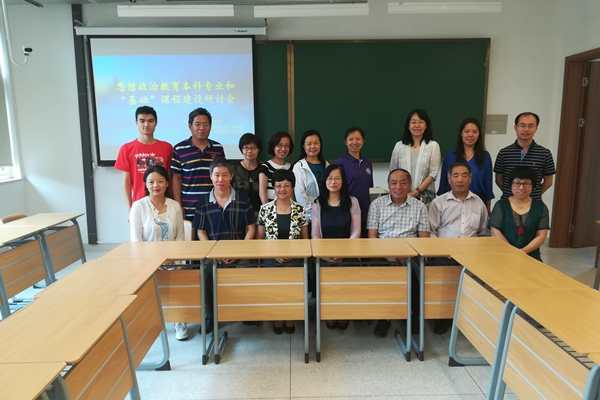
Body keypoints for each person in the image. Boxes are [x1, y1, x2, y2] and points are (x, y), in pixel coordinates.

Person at [367, 168, 430, 337]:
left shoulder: (420, 207)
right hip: (383, 255)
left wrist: (408, 254)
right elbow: (372, 238)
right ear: (388, 185)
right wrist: (388, 255)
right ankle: (384, 317)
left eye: (403, 183)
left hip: (410, 256)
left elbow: (424, 239)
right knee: (382, 278)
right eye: (393, 183)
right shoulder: (377, 205)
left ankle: (413, 318)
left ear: (409, 185)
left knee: (416, 279)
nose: (398, 187)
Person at [257, 169, 308, 334]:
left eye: (286, 185)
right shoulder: (265, 209)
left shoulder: (300, 210)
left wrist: (294, 254)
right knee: (275, 290)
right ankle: (277, 317)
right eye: (278, 186)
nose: (282, 189)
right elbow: (260, 240)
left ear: (292, 187)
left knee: (292, 289)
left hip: (295, 259)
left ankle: (290, 316)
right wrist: (274, 254)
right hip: (271, 258)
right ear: (274, 187)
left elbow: (305, 240)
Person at [311, 164, 360, 330]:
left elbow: (356, 232)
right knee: (327, 286)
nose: (333, 182)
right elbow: (315, 235)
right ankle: (329, 313)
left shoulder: (352, 202)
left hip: (347, 255)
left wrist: (343, 253)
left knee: (345, 286)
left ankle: (344, 312)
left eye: (337, 178)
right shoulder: (318, 203)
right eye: (330, 178)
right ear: (325, 181)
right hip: (324, 256)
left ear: (343, 181)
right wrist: (325, 255)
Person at [171, 107, 225, 222]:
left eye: (205, 124)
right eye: (197, 124)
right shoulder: (179, 149)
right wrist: (178, 206)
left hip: (214, 208)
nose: (202, 128)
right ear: (190, 126)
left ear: (210, 126)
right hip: (189, 208)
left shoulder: (218, 148)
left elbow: (223, 176)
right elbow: (176, 178)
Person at [115, 106, 173, 208]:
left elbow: (170, 178)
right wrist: (130, 207)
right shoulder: (126, 149)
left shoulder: (167, 147)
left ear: (156, 123)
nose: (146, 124)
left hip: (163, 204)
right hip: (139, 205)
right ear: (136, 123)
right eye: (142, 121)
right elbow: (126, 182)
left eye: (150, 121)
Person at [490, 166, 549, 261]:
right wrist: (511, 251)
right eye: (517, 183)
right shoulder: (501, 205)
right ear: (511, 185)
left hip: (531, 257)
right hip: (503, 256)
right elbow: (495, 231)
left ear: (532, 185)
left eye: (526, 183)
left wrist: (522, 252)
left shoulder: (541, 207)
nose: (521, 187)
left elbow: (541, 236)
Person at [494, 112, 556, 200]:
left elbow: (548, 182)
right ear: (515, 127)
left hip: (534, 203)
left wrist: (530, 194)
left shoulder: (545, 153)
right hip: (507, 203)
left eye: (531, 126)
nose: (526, 129)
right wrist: (514, 193)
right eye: (522, 125)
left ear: (536, 128)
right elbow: (498, 180)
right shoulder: (504, 153)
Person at [193, 159, 256, 241]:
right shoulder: (202, 203)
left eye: (225, 175)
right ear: (211, 176)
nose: (220, 179)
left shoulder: (243, 200)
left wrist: (243, 247)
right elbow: (201, 231)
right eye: (217, 175)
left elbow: (251, 228)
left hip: (238, 247)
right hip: (212, 248)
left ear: (231, 176)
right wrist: (209, 248)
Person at [437, 118, 493, 210]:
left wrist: (487, 209)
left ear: (479, 134)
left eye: (474, 132)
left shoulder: (485, 157)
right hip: (452, 204)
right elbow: (443, 184)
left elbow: (488, 186)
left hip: (478, 203)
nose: (470, 134)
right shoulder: (450, 156)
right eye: (467, 131)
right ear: (461, 134)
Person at [389, 109, 441, 205]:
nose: (417, 125)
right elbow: (393, 170)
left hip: (425, 196)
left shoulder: (433, 145)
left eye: (421, 122)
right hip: (402, 194)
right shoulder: (399, 146)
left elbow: (433, 173)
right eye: (413, 122)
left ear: (426, 125)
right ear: (408, 126)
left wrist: (416, 192)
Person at [430, 162, 489, 238]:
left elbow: (483, 232)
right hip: (445, 245)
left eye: (464, 176)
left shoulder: (478, 202)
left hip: (472, 245)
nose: (460, 180)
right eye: (456, 176)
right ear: (449, 179)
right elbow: (431, 232)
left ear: (470, 179)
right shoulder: (438, 203)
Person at [334, 127, 373, 237]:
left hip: (365, 211)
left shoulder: (367, 162)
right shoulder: (339, 163)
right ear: (345, 142)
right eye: (351, 139)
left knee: (364, 243)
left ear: (363, 141)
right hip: (347, 210)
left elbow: (370, 186)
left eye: (358, 139)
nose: (355, 142)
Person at [129, 165, 184, 242]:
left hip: (173, 250)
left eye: (160, 181)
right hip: (146, 250)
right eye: (151, 182)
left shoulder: (175, 206)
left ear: (167, 183)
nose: (156, 185)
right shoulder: (138, 207)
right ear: (146, 184)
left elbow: (180, 237)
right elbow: (136, 240)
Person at [292, 130, 328, 221]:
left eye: (316, 143)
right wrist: (314, 215)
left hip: (328, 215)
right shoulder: (299, 167)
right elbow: (300, 196)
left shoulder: (327, 165)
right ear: (303, 146)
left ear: (320, 145)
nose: (313, 146)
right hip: (308, 217)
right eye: (309, 144)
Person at [231, 133, 262, 218]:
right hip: (238, 213)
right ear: (241, 149)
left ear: (258, 149)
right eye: (246, 148)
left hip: (259, 214)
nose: (249, 151)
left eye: (253, 148)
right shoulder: (233, 169)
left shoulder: (264, 168)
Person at [258, 131, 293, 203]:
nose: (283, 149)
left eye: (287, 146)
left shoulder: (292, 167)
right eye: (280, 145)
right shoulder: (265, 167)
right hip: (270, 207)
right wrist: (268, 209)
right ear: (273, 147)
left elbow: (292, 193)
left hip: (287, 207)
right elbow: (262, 193)